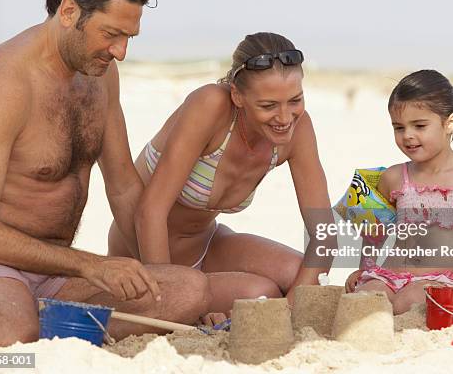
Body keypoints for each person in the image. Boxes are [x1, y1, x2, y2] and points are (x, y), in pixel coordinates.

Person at [0, 0, 209, 352]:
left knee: (189, 290)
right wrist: (91, 265)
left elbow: (122, 187)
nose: (120, 52)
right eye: (111, 34)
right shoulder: (3, 85)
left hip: (57, 267)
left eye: (128, 37)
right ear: (68, 12)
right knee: (9, 332)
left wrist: (157, 276)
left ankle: (33, 317)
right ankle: (11, 314)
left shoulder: (101, 74)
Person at [108, 32, 336, 322]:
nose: (284, 117)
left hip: (206, 246)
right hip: (144, 257)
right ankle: (206, 306)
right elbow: (148, 212)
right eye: (268, 106)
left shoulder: (298, 129)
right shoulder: (210, 106)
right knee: (261, 293)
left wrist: (285, 313)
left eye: (295, 100)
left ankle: (221, 308)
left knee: (297, 277)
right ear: (237, 96)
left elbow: (325, 235)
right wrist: (173, 298)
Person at [344, 69, 453, 314]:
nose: (408, 136)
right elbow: (373, 235)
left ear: (450, 122)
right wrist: (365, 269)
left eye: (420, 125)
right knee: (366, 299)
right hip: (388, 275)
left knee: (411, 301)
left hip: (439, 282)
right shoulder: (393, 177)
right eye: (398, 127)